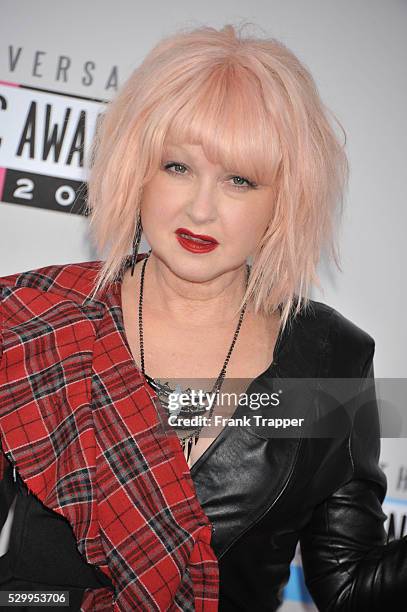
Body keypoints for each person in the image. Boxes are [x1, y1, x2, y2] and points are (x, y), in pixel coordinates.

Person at [0, 22, 406, 612]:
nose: (201, 207)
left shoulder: (328, 360)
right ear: (136, 169)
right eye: (177, 167)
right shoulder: (34, 320)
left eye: (239, 180)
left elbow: (347, 583)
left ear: (284, 201)